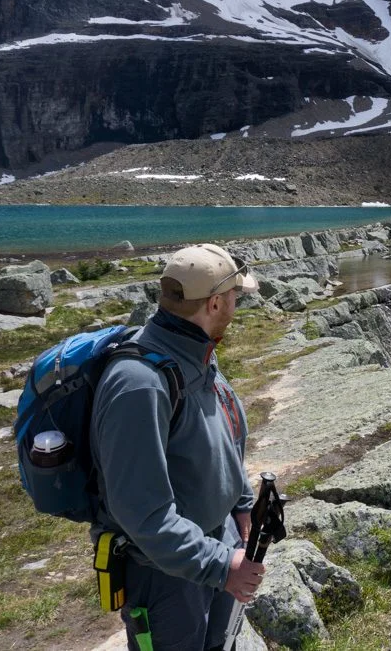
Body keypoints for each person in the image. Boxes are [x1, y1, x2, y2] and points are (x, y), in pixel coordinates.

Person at [90, 243, 265, 651]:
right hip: (164, 573)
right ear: (217, 303)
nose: (239, 304)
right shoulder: (140, 384)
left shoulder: (195, 353)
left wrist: (240, 503)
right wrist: (222, 566)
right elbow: (143, 514)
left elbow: (223, 434)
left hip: (213, 542)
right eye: (236, 296)